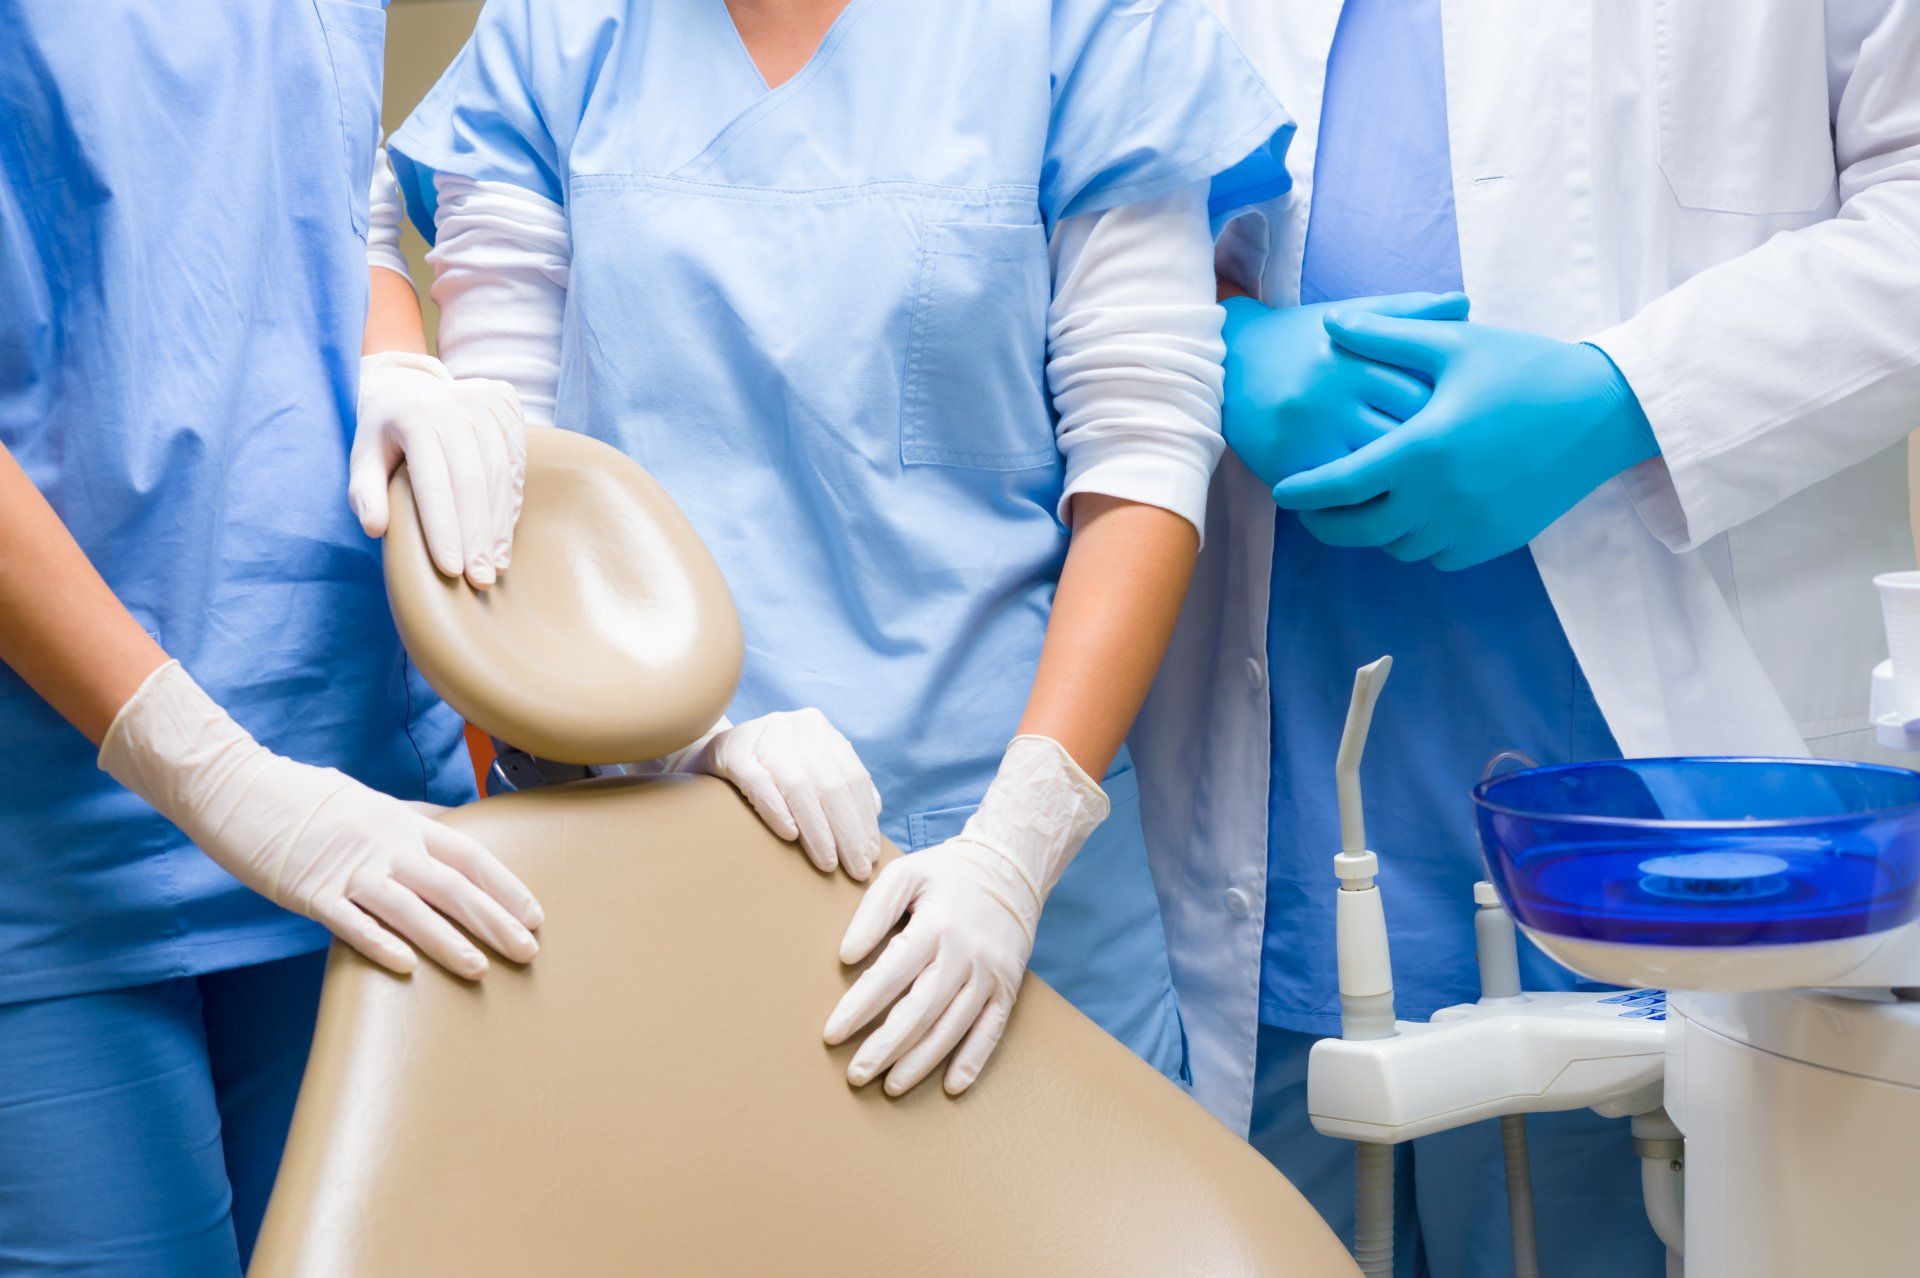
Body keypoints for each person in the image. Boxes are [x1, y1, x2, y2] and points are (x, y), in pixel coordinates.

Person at [1130, 1, 1920, 1274]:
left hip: (1681, 825)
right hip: (1263, 841)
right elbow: (1045, 175)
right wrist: (1207, 338)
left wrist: (1629, 398)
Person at [382, 0, 1290, 1097]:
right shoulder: (557, 33)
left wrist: (1013, 852)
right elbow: (509, 482)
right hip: (627, 845)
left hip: (1004, 867)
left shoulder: (1082, 29)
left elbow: (1142, 462)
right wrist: (681, 743)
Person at [0, 3, 549, 1272]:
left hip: (357, 788)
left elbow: (322, 197)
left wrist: (397, 360)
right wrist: (219, 778)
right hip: (56, 835)